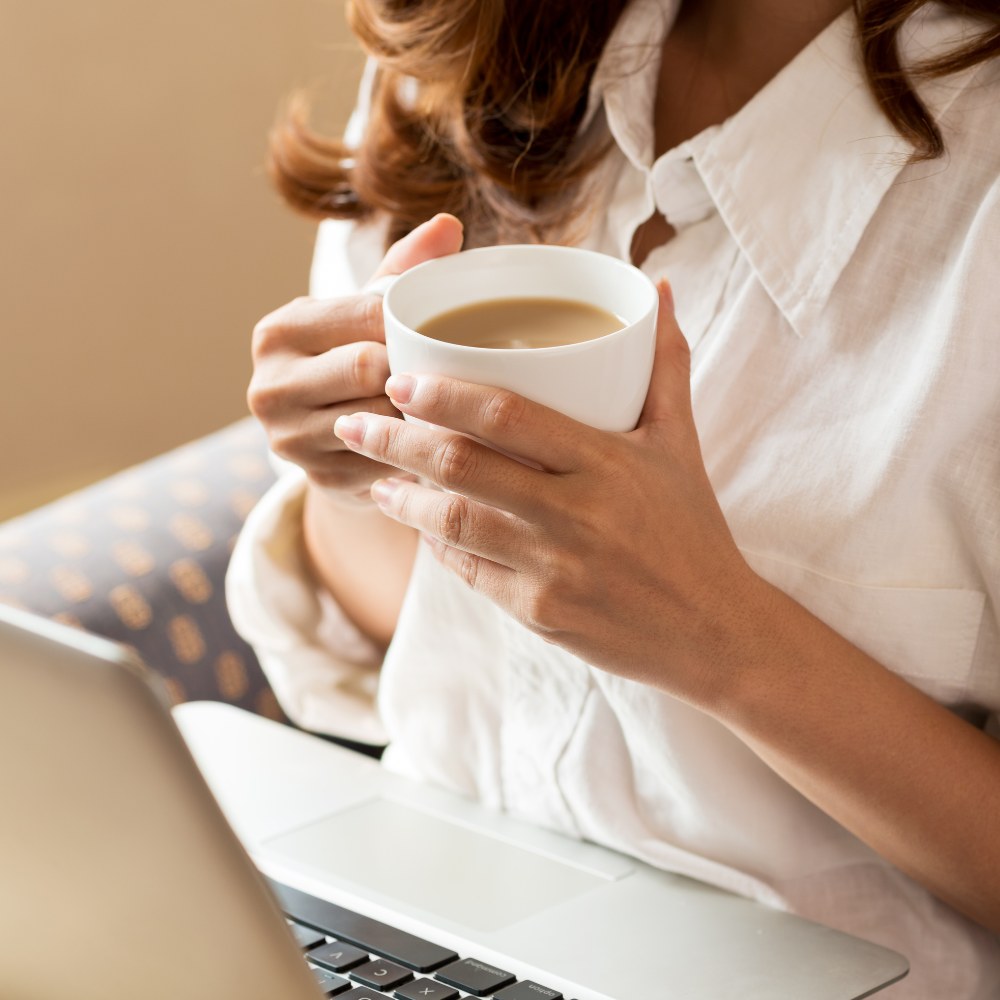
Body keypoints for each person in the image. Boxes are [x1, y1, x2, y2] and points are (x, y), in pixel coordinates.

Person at [227, 1, 1000, 995]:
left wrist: (720, 635)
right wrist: (354, 459)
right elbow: (412, 627)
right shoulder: (464, 49)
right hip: (424, 923)